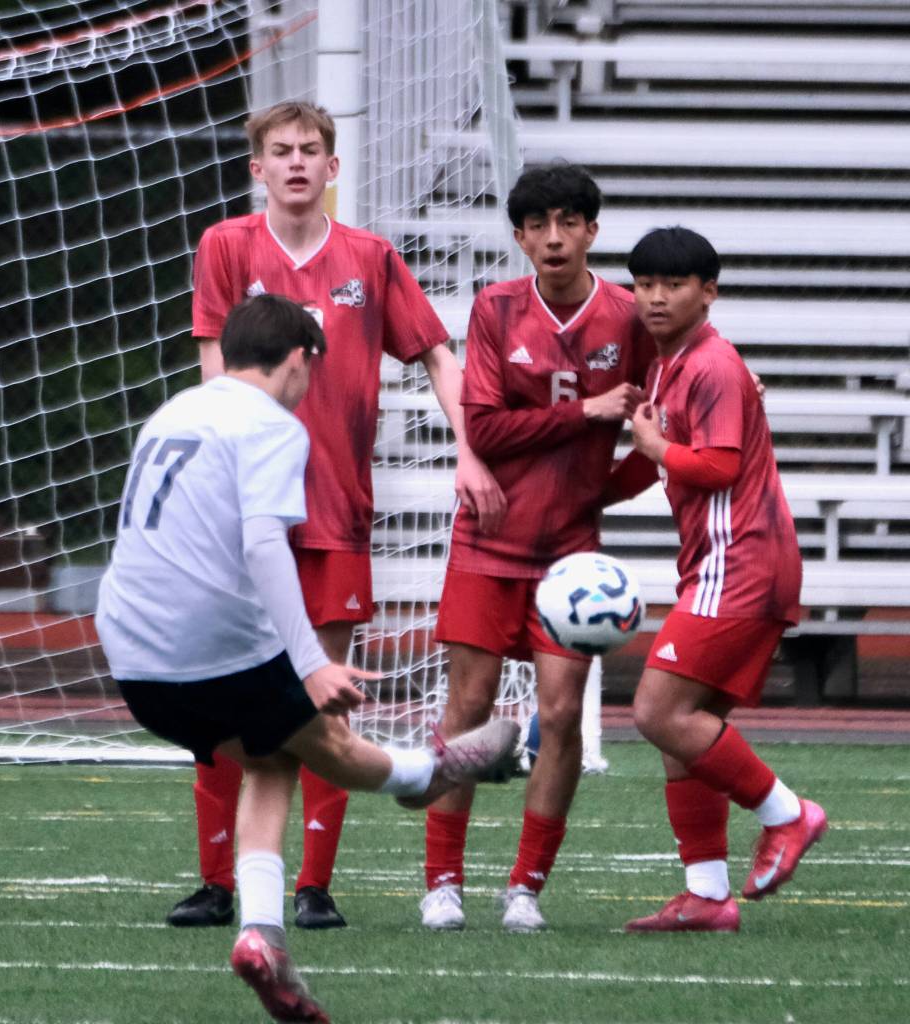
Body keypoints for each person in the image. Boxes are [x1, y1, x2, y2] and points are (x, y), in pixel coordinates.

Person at [95, 294, 519, 1023]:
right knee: (325, 746)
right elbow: (264, 544)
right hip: (207, 641)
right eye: (309, 370)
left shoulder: (175, 412)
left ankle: (263, 936)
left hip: (130, 649)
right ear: (299, 360)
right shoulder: (273, 425)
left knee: (271, 755)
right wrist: (308, 661)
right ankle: (430, 772)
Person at [169, 100, 505, 931]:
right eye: (278, 151)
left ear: (333, 167)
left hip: (336, 512)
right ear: (257, 167)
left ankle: (314, 885)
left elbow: (433, 349)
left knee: (327, 696)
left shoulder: (371, 257)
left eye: (309, 150)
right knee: (221, 695)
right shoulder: (226, 247)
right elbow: (216, 364)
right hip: (242, 515)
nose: (293, 162)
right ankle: (219, 884)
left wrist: (469, 448)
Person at [420, 164, 656, 932]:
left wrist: (599, 492)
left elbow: (656, 440)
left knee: (560, 717)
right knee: (469, 705)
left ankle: (525, 887)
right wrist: (587, 412)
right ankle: (443, 883)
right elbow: (482, 427)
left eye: (568, 222)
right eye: (537, 226)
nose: (553, 238)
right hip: (488, 545)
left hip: (571, 561)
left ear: (592, 228)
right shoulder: (495, 309)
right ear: (519, 237)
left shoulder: (627, 319)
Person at [605, 225, 827, 932]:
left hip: (742, 562)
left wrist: (655, 445)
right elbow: (661, 459)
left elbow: (720, 466)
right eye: (644, 285)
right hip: (725, 562)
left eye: (673, 285)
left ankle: (788, 815)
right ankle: (706, 895)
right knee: (683, 731)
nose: (656, 298)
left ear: (710, 293)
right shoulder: (672, 362)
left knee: (655, 713)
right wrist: (588, 494)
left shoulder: (712, 364)